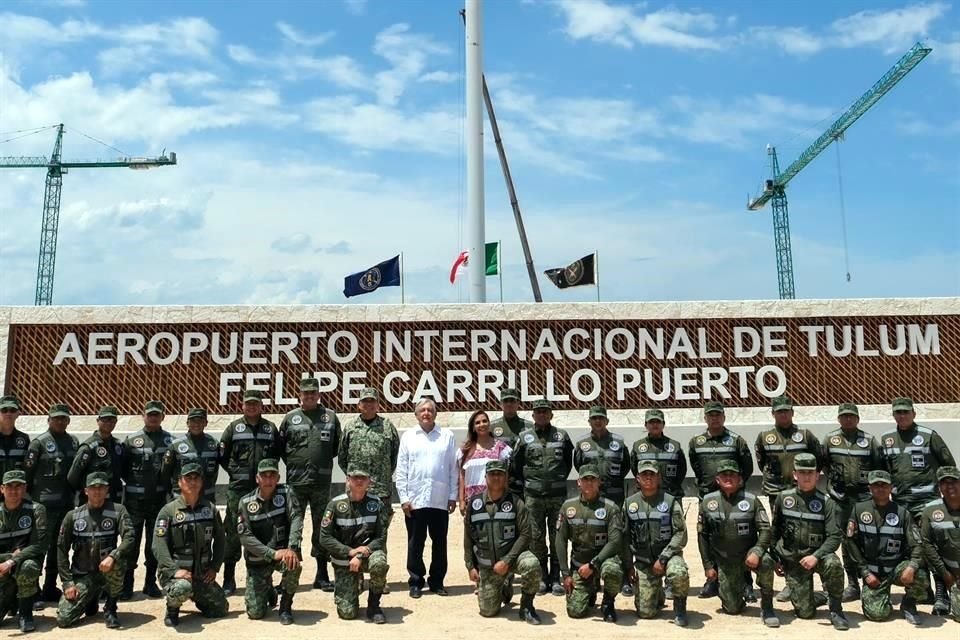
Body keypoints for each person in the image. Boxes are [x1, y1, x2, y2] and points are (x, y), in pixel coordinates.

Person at [881, 396, 956, 614]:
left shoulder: (928, 436)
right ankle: (924, 592)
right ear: (894, 414)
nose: (902, 416)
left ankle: (942, 594)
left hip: (928, 503)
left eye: (906, 412)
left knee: (933, 547)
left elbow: (948, 465)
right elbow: (883, 471)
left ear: (914, 414)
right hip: (902, 504)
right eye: (898, 412)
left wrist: (945, 493)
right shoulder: (887, 439)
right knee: (912, 548)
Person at [770, 453, 849, 630]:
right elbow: (774, 532)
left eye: (810, 473)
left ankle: (836, 609)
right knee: (805, 613)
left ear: (817, 475)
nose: (806, 476)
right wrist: (777, 558)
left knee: (833, 564)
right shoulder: (783, 499)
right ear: (795, 475)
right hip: (794, 560)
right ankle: (817, 596)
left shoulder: (827, 502)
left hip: (817, 557)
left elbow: (834, 537)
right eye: (802, 472)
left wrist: (816, 556)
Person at [755, 394, 822, 602]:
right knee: (784, 536)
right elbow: (761, 462)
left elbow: (817, 459)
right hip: (777, 494)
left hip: (802, 493)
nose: (783, 414)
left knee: (807, 533)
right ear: (773, 413)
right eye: (779, 411)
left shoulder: (805, 435)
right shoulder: (764, 437)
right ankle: (788, 583)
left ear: (792, 413)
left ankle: (816, 582)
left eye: (787, 411)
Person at [688, 400, 755, 601]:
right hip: (708, 499)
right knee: (708, 537)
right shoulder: (696, 442)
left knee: (741, 538)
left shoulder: (736, 441)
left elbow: (747, 467)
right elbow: (695, 466)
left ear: (724, 417)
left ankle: (746, 583)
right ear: (705, 418)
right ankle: (712, 580)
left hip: (734, 499)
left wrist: (734, 486)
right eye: (711, 415)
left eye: (718, 415)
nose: (714, 418)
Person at [278, 377, 341, 591]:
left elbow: (335, 448)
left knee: (322, 528)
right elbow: (282, 448)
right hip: (295, 483)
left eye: (313, 393)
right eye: (306, 393)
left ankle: (322, 575)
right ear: (300, 395)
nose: (309, 396)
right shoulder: (290, 418)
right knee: (290, 527)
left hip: (321, 483)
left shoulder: (330, 418)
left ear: (319, 395)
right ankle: (287, 576)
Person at [218, 389, 282, 596]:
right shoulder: (233, 428)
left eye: (256, 404)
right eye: (248, 403)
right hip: (239, 488)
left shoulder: (270, 429)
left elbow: (276, 455)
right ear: (243, 406)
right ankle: (229, 577)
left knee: (264, 531)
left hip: (263, 489)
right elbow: (223, 455)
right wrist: (237, 473)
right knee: (234, 532)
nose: (252, 407)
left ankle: (264, 578)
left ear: (261, 406)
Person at [462, 460, 542, 624]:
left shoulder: (515, 502)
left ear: (506, 477)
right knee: (488, 611)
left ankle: (527, 606)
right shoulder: (475, 504)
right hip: (489, 566)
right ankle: (505, 587)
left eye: (500, 474)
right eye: (492, 474)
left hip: (511, 560)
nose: (496, 478)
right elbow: (468, 537)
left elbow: (526, 534)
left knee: (531, 564)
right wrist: (470, 566)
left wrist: (507, 561)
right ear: (486, 477)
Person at [843, 469, 925, 625]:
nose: (880, 489)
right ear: (870, 488)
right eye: (876, 485)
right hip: (873, 573)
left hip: (895, 568)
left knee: (920, 574)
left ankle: (908, 604)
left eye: (884, 485)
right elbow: (850, 542)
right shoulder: (859, 510)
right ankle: (881, 598)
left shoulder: (903, 513)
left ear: (891, 487)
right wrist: (865, 572)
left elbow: (918, 545)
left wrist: (911, 567)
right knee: (878, 615)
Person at [395, 398, 458, 598]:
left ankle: (437, 581)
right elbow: (402, 469)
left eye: (430, 410)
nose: (426, 413)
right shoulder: (408, 437)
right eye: (422, 410)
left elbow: (452, 469)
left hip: (439, 499)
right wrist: (403, 498)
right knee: (416, 542)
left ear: (435, 414)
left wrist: (452, 496)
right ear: (416, 414)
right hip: (415, 499)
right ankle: (415, 581)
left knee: (440, 543)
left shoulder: (446, 436)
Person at [55, 472, 134, 629]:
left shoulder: (118, 510)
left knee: (118, 563)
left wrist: (114, 556)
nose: (97, 491)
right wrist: (67, 583)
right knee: (64, 619)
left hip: (107, 571)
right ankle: (90, 598)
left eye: (101, 487)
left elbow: (129, 538)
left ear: (107, 490)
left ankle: (111, 609)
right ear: (86, 491)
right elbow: (61, 550)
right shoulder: (73, 516)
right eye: (93, 488)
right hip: (83, 575)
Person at [510, 398, 573, 596]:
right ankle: (542, 577)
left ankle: (555, 577)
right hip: (533, 497)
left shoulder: (562, 436)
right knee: (536, 538)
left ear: (551, 414)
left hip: (557, 496)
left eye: (545, 411)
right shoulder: (524, 437)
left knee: (557, 537)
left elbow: (569, 461)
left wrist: (557, 479)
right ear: (533, 415)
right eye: (538, 412)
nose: (542, 415)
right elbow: (515, 465)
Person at [153, 463, 228, 628]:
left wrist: (215, 567)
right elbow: (159, 546)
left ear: (201, 482)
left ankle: (197, 595)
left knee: (220, 609)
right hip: (177, 575)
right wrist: (174, 570)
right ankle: (172, 610)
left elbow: (221, 540)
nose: (192, 482)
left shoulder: (210, 509)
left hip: (201, 574)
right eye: (188, 478)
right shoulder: (168, 511)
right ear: (180, 482)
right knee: (182, 587)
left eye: (196, 478)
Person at [821, 402, 882, 601]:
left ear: (857, 418)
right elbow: (825, 465)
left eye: (851, 416)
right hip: (840, 500)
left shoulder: (870, 440)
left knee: (866, 540)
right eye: (844, 416)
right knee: (846, 541)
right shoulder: (831, 439)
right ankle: (852, 584)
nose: (848, 419)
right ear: (839, 418)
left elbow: (879, 467)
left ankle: (868, 581)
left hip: (864, 499)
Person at [338, 387, 400, 571]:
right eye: (365, 401)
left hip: (381, 490)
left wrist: (382, 475)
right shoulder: (350, 427)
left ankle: (377, 573)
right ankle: (354, 574)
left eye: (372, 401)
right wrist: (354, 481)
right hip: (355, 492)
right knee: (351, 531)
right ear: (359, 405)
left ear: (378, 404)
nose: (369, 405)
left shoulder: (388, 426)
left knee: (380, 533)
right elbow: (342, 458)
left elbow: (394, 457)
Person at [319, 467, 390, 623]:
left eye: (363, 478)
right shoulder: (335, 504)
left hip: (366, 555)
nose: (359, 481)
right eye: (355, 478)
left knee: (379, 563)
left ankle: (374, 606)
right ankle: (353, 584)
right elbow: (324, 538)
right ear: (348, 480)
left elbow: (381, 536)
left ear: (369, 482)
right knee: (347, 613)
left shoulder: (376, 503)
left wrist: (360, 554)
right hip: (344, 560)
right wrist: (350, 551)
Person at [24, 403, 78, 607]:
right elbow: (27, 475)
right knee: (39, 548)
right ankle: (34, 591)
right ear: (49, 420)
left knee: (59, 547)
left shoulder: (72, 442)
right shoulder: (38, 443)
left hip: (65, 505)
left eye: (64, 418)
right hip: (43, 508)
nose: (60, 421)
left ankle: (49, 587)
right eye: (56, 418)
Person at [237, 458, 303, 624]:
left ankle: (286, 606)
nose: (268, 480)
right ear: (257, 478)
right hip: (258, 559)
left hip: (282, 555)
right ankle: (268, 589)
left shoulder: (286, 492)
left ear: (278, 477)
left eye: (272, 475)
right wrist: (271, 553)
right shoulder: (245, 502)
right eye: (264, 476)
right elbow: (246, 537)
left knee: (293, 564)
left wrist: (292, 547)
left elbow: (296, 518)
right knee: (256, 613)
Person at [624, 459, 689, 626]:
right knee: (646, 613)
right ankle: (657, 593)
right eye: (644, 474)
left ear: (659, 477)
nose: (648, 478)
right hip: (643, 561)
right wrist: (628, 566)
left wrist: (663, 558)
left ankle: (680, 608)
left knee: (679, 572)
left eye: (652, 474)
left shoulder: (669, 501)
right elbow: (624, 538)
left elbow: (681, 533)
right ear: (637, 478)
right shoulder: (629, 504)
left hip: (667, 558)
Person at [574, 405, 631, 595]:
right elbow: (578, 466)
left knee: (618, 535)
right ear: (589, 421)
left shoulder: (619, 442)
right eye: (594, 418)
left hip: (614, 495)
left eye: (601, 418)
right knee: (592, 534)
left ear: (607, 421)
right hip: (592, 497)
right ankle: (594, 576)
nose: (597, 421)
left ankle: (622, 577)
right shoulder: (582, 444)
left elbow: (626, 467)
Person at [119, 399, 173, 600]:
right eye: (149, 414)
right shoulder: (132, 441)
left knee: (154, 543)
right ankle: (127, 583)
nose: (153, 417)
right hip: (134, 501)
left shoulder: (171, 441)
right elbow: (122, 468)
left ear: (162, 417)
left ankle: (150, 582)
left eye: (156, 414)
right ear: (143, 416)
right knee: (130, 543)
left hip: (158, 501)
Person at [556, 464, 623, 621]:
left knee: (613, 570)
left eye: (593, 479)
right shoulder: (568, 507)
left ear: (599, 482)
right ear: (578, 482)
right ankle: (590, 589)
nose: (589, 483)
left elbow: (615, 542)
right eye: (585, 479)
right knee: (575, 611)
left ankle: (608, 602)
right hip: (580, 566)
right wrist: (565, 574)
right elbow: (560, 540)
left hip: (602, 562)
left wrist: (593, 565)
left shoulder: (610, 508)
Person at [0, 470, 46, 632]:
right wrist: (7, 557)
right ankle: (11, 601)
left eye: (18, 486)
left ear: (25, 488)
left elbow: (39, 545)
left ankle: (25, 614)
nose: (14, 490)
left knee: (27, 566)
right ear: (2, 489)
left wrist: (12, 560)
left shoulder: (36, 510)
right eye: (9, 486)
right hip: (2, 567)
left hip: (25, 563)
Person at [920, 466, 960, 621]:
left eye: (954, 481)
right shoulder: (930, 510)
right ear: (939, 487)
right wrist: (945, 574)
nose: (949, 486)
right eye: (944, 482)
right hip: (949, 572)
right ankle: (942, 591)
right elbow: (926, 543)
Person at [68, 405, 125, 505]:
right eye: (105, 420)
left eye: (112, 420)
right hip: (92, 501)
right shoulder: (88, 447)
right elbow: (73, 476)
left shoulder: (117, 445)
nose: (109, 423)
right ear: (98, 420)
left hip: (114, 500)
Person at [160, 408, 219, 504]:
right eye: (193, 421)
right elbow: (165, 473)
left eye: (200, 421)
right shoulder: (176, 445)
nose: (196, 424)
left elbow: (215, 470)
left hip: (206, 497)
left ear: (206, 423)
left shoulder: (213, 444)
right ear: (187, 423)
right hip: (182, 497)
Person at [458, 410, 512, 513]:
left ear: (489, 424)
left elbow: (506, 474)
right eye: (477, 423)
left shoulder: (501, 447)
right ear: (473, 428)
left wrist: (506, 497)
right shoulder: (465, 450)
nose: (481, 424)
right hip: (473, 501)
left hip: (496, 500)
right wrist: (461, 500)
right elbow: (462, 476)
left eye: (484, 421)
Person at [631, 409, 686, 499]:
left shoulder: (675, 446)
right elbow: (634, 469)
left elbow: (682, 470)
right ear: (646, 425)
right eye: (651, 422)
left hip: (670, 493)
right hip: (646, 494)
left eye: (658, 422)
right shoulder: (638, 446)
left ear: (663, 424)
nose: (655, 425)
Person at [489, 388, 530, 496]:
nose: (509, 404)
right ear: (501, 404)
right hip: (499, 480)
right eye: (506, 401)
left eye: (512, 401)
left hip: (524, 482)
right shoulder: (492, 427)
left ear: (518, 403)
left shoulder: (529, 427)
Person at [0, 395, 30, 476]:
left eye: (12, 410)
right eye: (4, 410)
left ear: (18, 413)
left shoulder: (24, 439)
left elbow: (28, 467)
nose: (8, 413)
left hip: (14, 487)